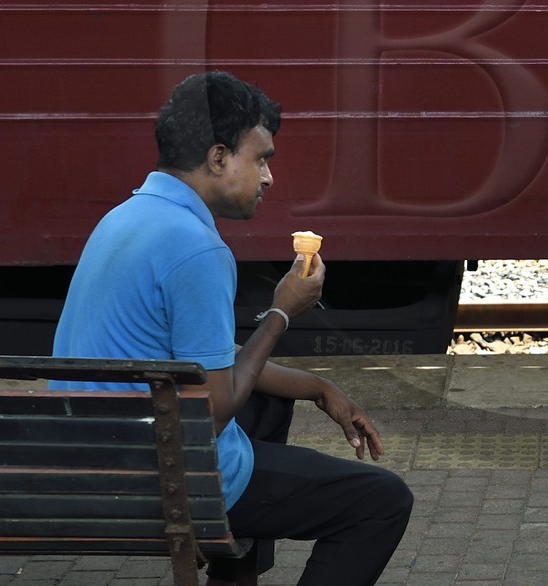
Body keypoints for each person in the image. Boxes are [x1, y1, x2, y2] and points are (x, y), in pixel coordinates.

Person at [52, 71, 413, 586]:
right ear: (219, 157)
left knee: (267, 401)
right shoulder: (197, 249)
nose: (268, 178)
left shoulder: (127, 216)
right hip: (163, 476)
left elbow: (211, 358)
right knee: (381, 500)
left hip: (97, 452)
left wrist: (318, 387)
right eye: (261, 158)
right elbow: (213, 412)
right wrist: (283, 313)